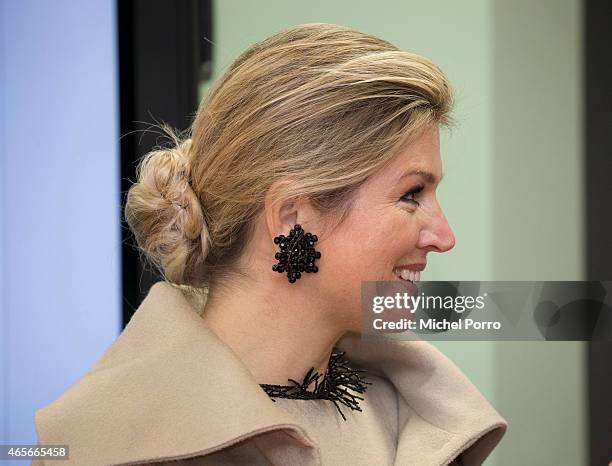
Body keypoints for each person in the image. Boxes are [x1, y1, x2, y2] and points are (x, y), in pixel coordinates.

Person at [32, 23, 507, 465]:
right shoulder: (93, 447)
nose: (445, 237)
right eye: (411, 195)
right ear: (291, 219)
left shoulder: (424, 419)